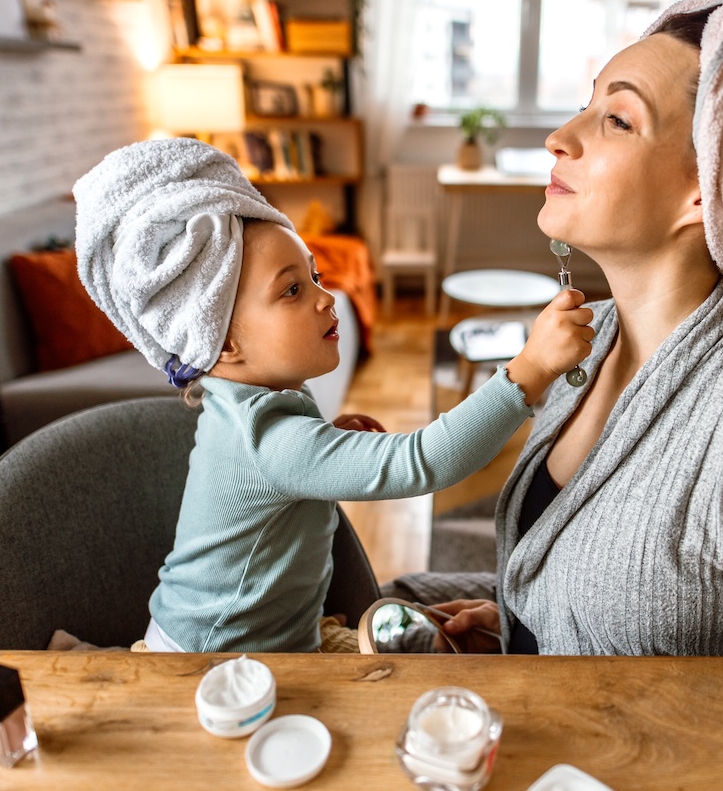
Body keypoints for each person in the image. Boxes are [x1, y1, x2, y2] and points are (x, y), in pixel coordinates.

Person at [408, 0, 723, 657]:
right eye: (587, 104)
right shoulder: (590, 336)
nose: (561, 135)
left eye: (617, 118)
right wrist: (525, 618)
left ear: (711, 191)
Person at [72, 138, 593, 653]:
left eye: (314, 276)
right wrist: (532, 367)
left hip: (272, 636)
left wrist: (328, 439)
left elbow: (284, 471)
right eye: (292, 290)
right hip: (211, 659)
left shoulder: (259, 408)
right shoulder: (269, 439)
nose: (326, 299)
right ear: (222, 341)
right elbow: (425, 460)